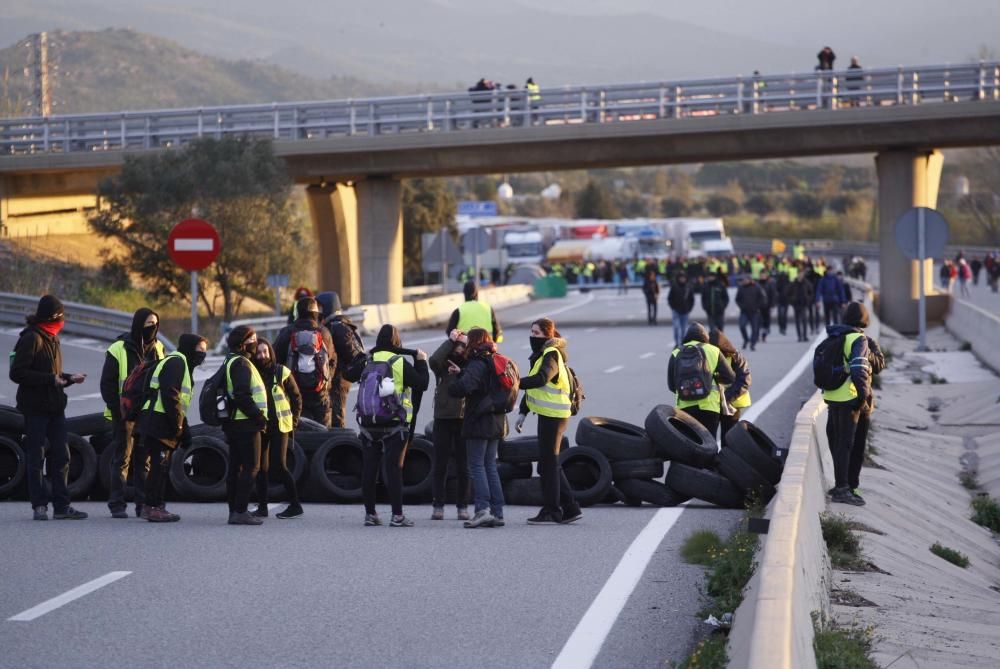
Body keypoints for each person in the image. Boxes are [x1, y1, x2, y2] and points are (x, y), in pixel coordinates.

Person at [9, 295, 88, 521]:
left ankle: (62, 506)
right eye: (61, 317)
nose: (63, 322)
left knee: (62, 455)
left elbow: (52, 375)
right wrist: (50, 379)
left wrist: (69, 378)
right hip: (35, 409)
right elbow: (17, 373)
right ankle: (39, 505)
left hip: (55, 407)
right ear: (53, 317)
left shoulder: (53, 339)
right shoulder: (31, 338)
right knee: (36, 456)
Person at [514, 318, 583, 525]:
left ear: (547, 335)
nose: (532, 336)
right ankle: (570, 508)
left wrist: (514, 383)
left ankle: (552, 510)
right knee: (548, 464)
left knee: (548, 464)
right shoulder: (542, 354)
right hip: (548, 414)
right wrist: (523, 412)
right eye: (531, 332)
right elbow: (537, 388)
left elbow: (542, 378)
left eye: (536, 333)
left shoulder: (551, 355)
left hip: (555, 416)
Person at [359, 325, 429, 528]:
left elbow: (349, 374)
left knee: (369, 469)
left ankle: (370, 514)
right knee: (394, 470)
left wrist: (361, 356)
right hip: (394, 423)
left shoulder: (369, 359)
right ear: (397, 341)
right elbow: (421, 383)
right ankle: (397, 516)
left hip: (368, 423)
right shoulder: (399, 361)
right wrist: (421, 361)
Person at [99, 307, 165, 519]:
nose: (152, 328)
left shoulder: (159, 348)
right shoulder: (118, 348)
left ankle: (142, 504)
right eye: (148, 325)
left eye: (155, 324)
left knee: (143, 460)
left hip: (147, 413)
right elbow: (107, 383)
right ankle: (117, 504)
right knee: (122, 459)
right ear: (138, 325)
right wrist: (117, 408)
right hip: (124, 414)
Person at [139, 334, 208, 522]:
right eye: (199, 350)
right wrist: (178, 424)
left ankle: (154, 505)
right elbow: (170, 395)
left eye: (204, 351)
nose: (203, 354)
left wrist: (184, 430)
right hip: (158, 420)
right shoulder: (176, 363)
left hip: (161, 419)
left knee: (161, 466)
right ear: (188, 347)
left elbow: (180, 402)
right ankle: (152, 507)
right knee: (159, 466)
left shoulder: (182, 363)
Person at [822, 302, 884, 506]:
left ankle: (843, 485)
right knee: (851, 446)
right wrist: (864, 396)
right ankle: (844, 489)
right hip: (852, 399)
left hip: (833, 397)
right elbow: (859, 369)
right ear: (864, 319)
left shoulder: (836, 336)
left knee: (839, 444)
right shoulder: (859, 339)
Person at [446, 328, 507, 528]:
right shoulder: (493, 359)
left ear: (473, 342)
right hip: (496, 419)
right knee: (490, 466)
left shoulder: (477, 362)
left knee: (477, 466)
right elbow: (483, 383)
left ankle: (482, 510)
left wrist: (454, 382)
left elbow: (464, 388)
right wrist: (463, 372)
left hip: (479, 421)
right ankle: (497, 512)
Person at [250, 337, 304, 520]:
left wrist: (294, 421)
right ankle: (262, 507)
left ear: (270, 352)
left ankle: (295, 505)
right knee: (261, 468)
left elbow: (296, 399)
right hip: (261, 427)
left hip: (280, 426)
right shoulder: (252, 374)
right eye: (258, 352)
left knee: (279, 466)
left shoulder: (281, 372)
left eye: (265, 351)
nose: (262, 355)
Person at [223, 326, 269, 526]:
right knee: (251, 467)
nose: (256, 342)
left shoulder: (233, 360)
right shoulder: (241, 364)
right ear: (243, 343)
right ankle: (240, 510)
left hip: (237, 423)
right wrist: (258, 417)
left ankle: (235, 509)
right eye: (253, 339)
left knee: (236, 467)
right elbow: (242, 395)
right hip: (246, 424)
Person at [428, 330, 470, 521]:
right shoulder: (443, 366)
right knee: (440, 464)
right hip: (443, 418)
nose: (459, 349)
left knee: (463, 466)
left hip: (464, 419)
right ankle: (438, 505)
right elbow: (433, 360)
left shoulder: (471, 366)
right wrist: (450, 340)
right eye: (457, 345)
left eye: (463, 346)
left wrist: (462, 371)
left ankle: (463, 506)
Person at [274, 296, 336, 426]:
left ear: (298, 313)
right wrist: (326, 381)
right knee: (324, 434)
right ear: (316, 314)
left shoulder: (286, 332)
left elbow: (275, 360)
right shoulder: (324, 333)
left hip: (294, 392)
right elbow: (332, 359)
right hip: (320, 394)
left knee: (298, 432)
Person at [667, 322, 736, 436]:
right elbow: (730, 377)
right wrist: (713, 376)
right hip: (709, 407)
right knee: (709, 444)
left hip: (685, 407)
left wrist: (687, 390)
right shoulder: (713, 350)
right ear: (705, 337)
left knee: (689, 443)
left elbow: (671, 385)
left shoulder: (676, 352)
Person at [317, 291, 366, 428]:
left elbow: (356, 356)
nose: (318, 311)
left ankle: (340, 446)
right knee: (330, 416)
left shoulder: (339, 327)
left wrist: (343, 374)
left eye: (321, 308)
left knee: (336, 418)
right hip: (334, 381)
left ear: (329, 307)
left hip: (338, 382)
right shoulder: (334, 325)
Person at [709, 329, 751, 448]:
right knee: (709, 438)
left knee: (728, 439)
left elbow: (744, 380)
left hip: (731, 403)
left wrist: (727, 397)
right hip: (713, 404)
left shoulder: (735, 356)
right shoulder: (707, 355)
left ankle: (726, 463)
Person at [736, 275, 766, 351]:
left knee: (755, 329)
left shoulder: (757, 287)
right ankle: (746, 339)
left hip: (754, 312)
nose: (744, 281)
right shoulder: (741, 288)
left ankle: (752, 344)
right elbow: (737, 299)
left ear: (750, 280)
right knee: (742, 326)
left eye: (745, 279)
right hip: (744, 312)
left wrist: (758, 306)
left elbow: (762, 298)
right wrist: (742, 306)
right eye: (743, 280)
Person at [667, 272, 695, 349]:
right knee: (676, 327)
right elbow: (670, 298)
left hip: (685, 311)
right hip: (676, 310)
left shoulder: (688, 287)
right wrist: (672, 307)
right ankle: (676, 343)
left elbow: (692, 299)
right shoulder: (674, 287)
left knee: (683, 329)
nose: (682, 279)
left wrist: (689, 308)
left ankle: (682, 343)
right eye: (681, 278)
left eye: (683, 278)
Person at [788, 272, 814, 342]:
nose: (800, 276)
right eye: (799, 274)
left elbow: (811, 292)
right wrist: (792, 301)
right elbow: (788, 293)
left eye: (801, 274)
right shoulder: (794, 283)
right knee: (797, 321)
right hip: (796, 304)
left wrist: (808, 299)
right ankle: (799, 336)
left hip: (803, 304)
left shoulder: (806, 283)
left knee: (804, 320)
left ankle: (805, 336)